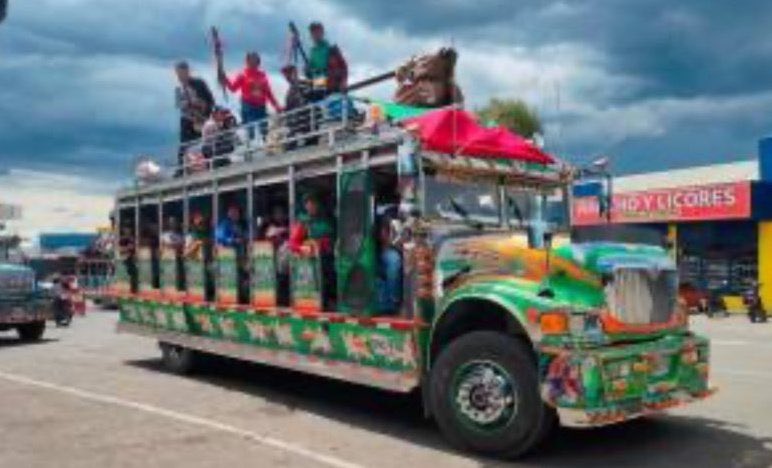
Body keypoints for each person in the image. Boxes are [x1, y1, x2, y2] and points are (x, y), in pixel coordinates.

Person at [220, 52, 281, 140]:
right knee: (250, 130)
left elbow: (268, 92)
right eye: (252, 59)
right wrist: (225, 80)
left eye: (257, 60)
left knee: (264, 130)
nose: (255, 62)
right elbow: (233, 88)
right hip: (248, 107)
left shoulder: (262, 75)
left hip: (261, 106)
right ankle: (251, 150)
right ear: (247, 61)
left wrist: (276, 106)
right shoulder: (242, 75)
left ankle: (267, 147)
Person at [289, 193, 335, 309]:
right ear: (305, 206)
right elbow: (293, 244)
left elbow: (332, 237)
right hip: (313, 261)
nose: (312, 206)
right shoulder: (303, 222)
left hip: (329, 256)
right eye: (309, 203)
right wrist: (305, 248)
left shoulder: (326, 220)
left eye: (314, 203)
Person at [175, 61, 215, 171]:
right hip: (187, 121)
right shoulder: (179, 89)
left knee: (203, 144)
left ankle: (207, 165)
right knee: (184, 146)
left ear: (188, 72)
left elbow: (211, 101)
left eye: (182, 73)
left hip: (201, 119)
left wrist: (201, 106)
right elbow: (180, 106)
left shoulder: (199, 83)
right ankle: (182, 169)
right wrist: (188, 106)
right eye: (178, 74)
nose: (180, 76)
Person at [306, 22, 348, 101]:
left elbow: (344, 66)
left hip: (333, 84)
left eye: (318, 32)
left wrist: (344, 81)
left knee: (333, 105)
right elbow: (310, 73)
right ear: (311, 35)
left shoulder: (332, 49)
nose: (316, 35)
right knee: (316, 105)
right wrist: (307, 71)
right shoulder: (312, 52)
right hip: (319, 83)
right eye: (313, 33)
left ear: (322, 33)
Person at [260, 205, 290, 306]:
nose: (280, 215)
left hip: (285, 258)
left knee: (285, 277)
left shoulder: (287, 223)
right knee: (279, 278)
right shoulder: (270, 225)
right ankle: (281, 300)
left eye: (281, 213)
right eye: (277, 213)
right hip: (273, 257)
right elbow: (269, 236)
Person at [374, 217, 402, 315]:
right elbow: (393, 278)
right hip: (386, 305)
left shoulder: (374, 254)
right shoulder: (392, 256)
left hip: (380, 305)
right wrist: (395, 299)